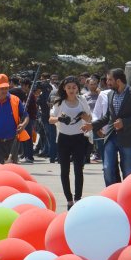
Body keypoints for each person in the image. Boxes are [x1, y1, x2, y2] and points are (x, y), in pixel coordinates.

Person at [87, 68, 131, 186]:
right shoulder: (110, 95)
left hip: (128, 139)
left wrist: (124, 122)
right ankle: (112, 195)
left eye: (110, 80)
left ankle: (127, 197)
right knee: (107, 168)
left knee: (128, 172)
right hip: (110, 137)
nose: (107, 82)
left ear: (118, 81)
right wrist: (92, 125)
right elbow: (108, 117)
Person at [50, 77, 93, 210]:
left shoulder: (82, 100)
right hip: (63, 139)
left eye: (74, 87)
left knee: (78, 169)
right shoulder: (60, 102)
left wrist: (82, 115)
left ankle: (78, 198)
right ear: (64, 88)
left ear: (77, 88)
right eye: (68, 87)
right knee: (64, 170)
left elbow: (89, 118)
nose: (71, 90)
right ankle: (69, 200)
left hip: (79, 138)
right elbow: (51, 119)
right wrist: (60, 119)